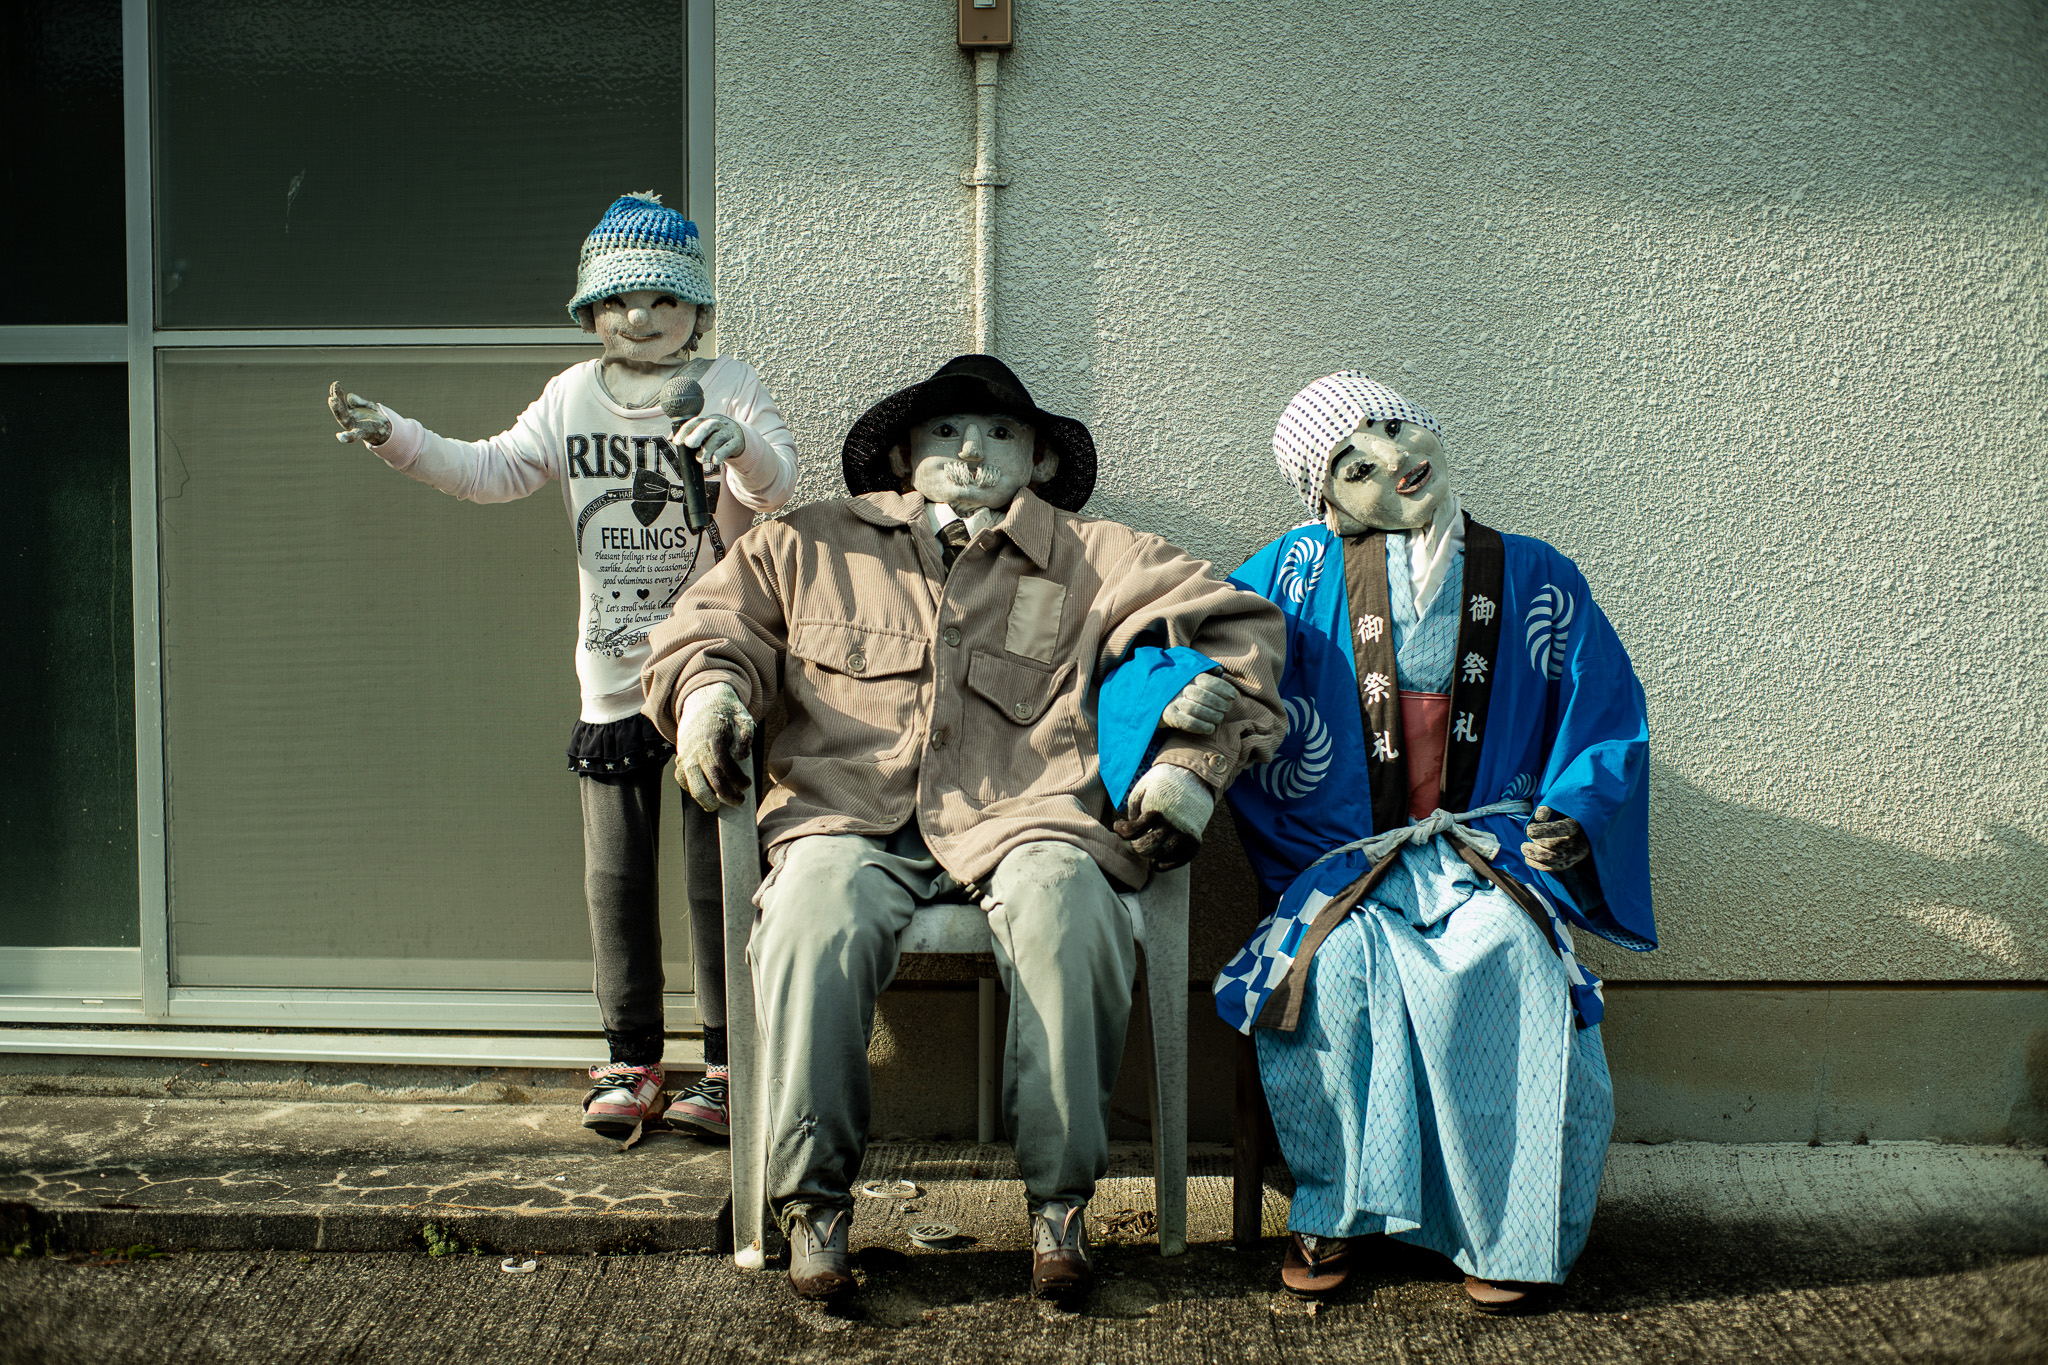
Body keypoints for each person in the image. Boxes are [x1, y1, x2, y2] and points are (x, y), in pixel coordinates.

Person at [641, 355, 1285, 1302]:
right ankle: (813, 1206)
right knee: (814, 917)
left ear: (1038, 460)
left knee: (1071, 909)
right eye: (945, 431)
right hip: (849, 816)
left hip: (1032, 817)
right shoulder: (810, 542)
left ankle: (1060, 1208)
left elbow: (1241, 633)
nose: (972, 450)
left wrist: (1191, 763)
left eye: (1000, 434)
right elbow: (710, 624)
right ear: (905, 454)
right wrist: (708, 698)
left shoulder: (1099, 556)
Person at [324, 192, 797, 1141]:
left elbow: (779, 486)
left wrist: (739, 446)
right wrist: (394, 435)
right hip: (612, 673)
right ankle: (631, 1058)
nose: (642, 318)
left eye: (664, 300)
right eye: (619, 300)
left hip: (712, 670)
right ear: (589, 312)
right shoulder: (571, 394)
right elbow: (490, 469)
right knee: (615, 879)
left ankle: (728, 1064)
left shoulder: (729, 382)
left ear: (697, 309)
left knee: (717, 876)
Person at [1213, 370, 1655, 1313]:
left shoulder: (1534, 573)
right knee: (1332, 976)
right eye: (1353, 457)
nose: (1391, 457)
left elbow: (1605, 708)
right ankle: (1335, 1207)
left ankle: (1510, 1228)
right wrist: (1180, 711)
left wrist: (1574, 810)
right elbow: (1205, 649)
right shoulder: (1289, 573)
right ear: (1325, 497)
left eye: (1396, 427)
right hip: (1346, 858)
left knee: (1515, 959)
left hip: (1484, 855)